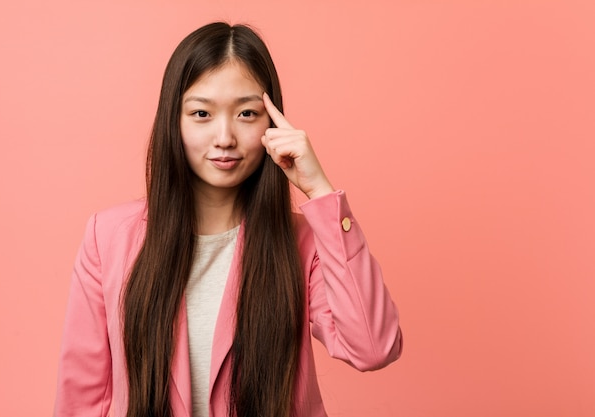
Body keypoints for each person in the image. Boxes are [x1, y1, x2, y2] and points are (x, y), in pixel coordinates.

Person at [54, 21, 402, 417]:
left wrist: (321, 192)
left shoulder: (303, 241)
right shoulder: (108, 238)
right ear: (174, 121)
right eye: (201, 113)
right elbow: (82, 401)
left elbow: (373, 347)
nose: (224, 137)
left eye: (247, 113)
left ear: (272, 124)